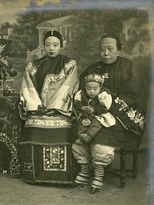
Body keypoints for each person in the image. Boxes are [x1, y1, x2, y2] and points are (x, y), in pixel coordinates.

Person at [72, 34, 146, 194]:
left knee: (100, 132)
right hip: (94, 115)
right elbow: (79, 90)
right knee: (80, 130)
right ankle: (84, 170)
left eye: (110, 49)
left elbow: (133, 95)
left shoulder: (128, 67)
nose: (105, 53)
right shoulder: (93, 69)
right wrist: (85, 107)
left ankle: (98, 175)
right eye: (102, 49)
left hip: (121, 116)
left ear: (119, 50)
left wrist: (103, 108)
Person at [19, 30, 79, 184]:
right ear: (43, 46)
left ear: (61, 45)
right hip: (38, 109)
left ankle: (61, 175)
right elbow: (28, 87)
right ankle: (34, 175)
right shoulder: (33, 66)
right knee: (32, 130)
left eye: (55, 45)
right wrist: (37, 106)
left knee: (63, 132)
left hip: (61, 110)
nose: (51, 48)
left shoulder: (69, 64)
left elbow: (68, 87)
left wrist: (56, 107)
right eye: (48, 45)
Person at [73, 73, 116, 144]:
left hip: (99, 115)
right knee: (81, 123)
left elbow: (106, 105)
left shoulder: (104, 94)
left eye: (95, 89)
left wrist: (95, 109)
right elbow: (77, 101)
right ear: (85, 87)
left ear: (100, 87)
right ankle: (81, 137)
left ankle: (88, 136)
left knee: (97, 124)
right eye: (89, 89)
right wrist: (82, 107)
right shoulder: (82, 93)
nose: (92, 91)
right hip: (86, 115)